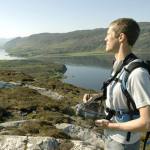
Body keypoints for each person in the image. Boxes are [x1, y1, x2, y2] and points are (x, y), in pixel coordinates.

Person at [83, 18, 150, 150]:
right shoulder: (119, 66)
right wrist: (96, 96)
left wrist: (110, 126)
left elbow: (147, 122)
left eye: (108, 34)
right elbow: (124, 93)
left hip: (123, 143)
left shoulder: (137, 74)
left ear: (121, 37)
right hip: (112, 136)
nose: (105, 39)